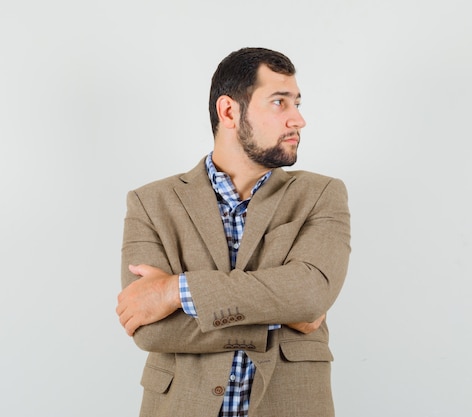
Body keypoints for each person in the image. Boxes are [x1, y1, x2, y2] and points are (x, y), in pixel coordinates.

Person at [115, 47, 351, 417]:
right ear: (228, 111)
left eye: (297, 103)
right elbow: (150, 329)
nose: (299, 120)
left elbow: (309, 294)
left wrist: (175, 290)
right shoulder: (150, 202)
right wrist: (275, 314)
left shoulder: (321, 195)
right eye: (279, 102)